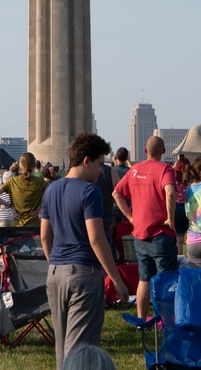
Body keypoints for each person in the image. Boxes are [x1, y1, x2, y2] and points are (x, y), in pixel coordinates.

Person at [40, 132, 128, 369]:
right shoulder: (90, 192)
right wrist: (115, 279)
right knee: (81, 350)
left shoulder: (51, 190)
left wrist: (54, 264)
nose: (102, 172)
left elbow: (45, 236)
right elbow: (97, 239)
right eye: (100, 164)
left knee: (62, 349)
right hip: (83, 275)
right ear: (86, 160)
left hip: (56, 273)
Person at [113, 135, 178, 322]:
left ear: (144, 151)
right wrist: (170, 217)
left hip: (140, 234)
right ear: (164, 151)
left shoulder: (134, 170)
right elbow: (170, 192)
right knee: (167, 280)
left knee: (144, 278)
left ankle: (141, 319)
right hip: (160, 233)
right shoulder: (165, 169)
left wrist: (131, 217)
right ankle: (167, 321)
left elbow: (116, 193)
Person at [0, 152, 48, 227]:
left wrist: (10, 205)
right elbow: (53, 196)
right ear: (34, 165)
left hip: (16, 225)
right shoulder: (40, 182)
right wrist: (39, 208)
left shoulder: (12, 181)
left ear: (20, 165)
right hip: (34, 225)